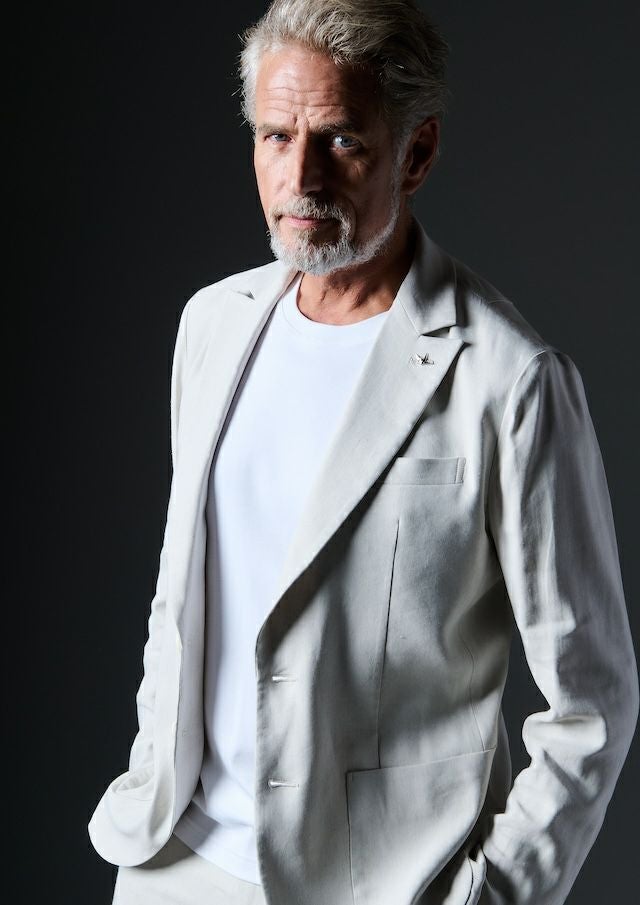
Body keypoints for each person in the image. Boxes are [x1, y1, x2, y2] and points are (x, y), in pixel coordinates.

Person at [88, 1, 638, 903]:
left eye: (340, 140)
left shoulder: (511, 379)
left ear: (416, 153)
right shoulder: (212, 325)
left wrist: (492, 894)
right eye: (276, 136)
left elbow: (594, 704)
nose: (299, 176)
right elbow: (184, 593)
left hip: (377, 886)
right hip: (174, 864)